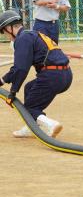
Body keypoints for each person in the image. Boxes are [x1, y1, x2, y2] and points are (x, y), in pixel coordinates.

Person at [0, 9, 72, 138]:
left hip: (52, 76)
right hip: (65, 75)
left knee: (30, 108)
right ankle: (31, 126)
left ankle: (50, 124)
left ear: (9, 28)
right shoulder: (31, 34)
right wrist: (3, 80)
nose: (6, 36)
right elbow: (18, 67)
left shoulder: (22, 39)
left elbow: (21, 68)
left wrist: (12, 92)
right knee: (29, 88)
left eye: (4, 32)